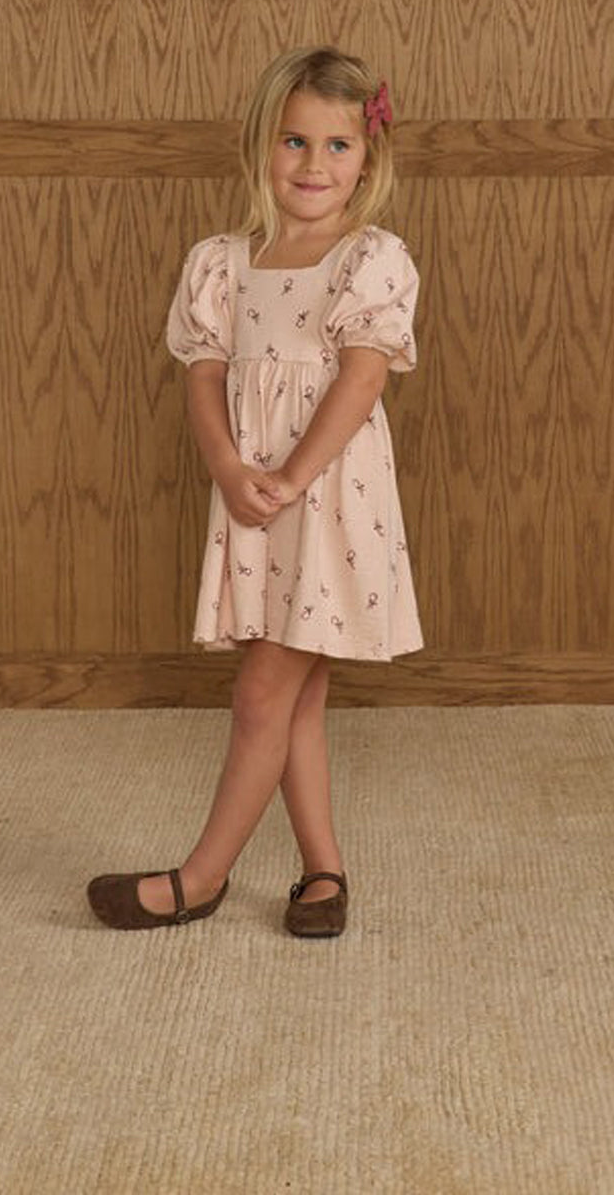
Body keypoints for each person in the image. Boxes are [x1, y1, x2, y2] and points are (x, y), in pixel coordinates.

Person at [87, 46, 423, 938]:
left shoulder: (369, 259)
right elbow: (203, 376)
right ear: (261, 146)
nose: (314, 165)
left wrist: (291, 477)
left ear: (369, 158)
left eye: (338, 145)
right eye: (294, 141)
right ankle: (324, 870)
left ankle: (199, 879)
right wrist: (230, 470)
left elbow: (361, 378)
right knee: (297, 694)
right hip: (253, 495)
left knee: (262, 695)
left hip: (327, 501)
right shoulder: (222, 263)